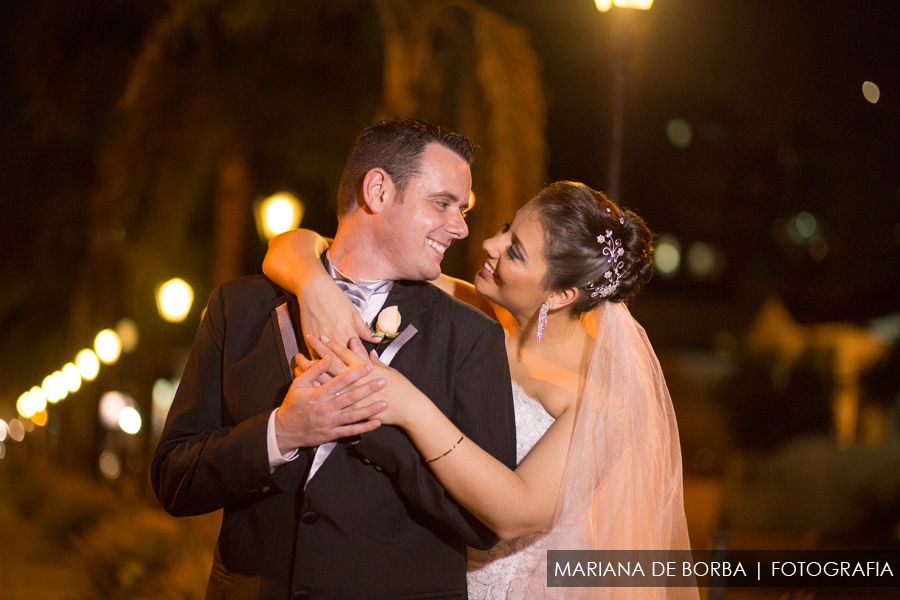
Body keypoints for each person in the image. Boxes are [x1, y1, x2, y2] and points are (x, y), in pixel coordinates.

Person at [264, 181, 698, 599]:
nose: (491, 243)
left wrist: (408, 405)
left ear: (561, 294)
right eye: (507, 227)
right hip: (426, 566)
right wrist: (313, 284)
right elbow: (302, 245)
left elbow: (516, 513)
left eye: (515, 252)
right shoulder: (468, 312)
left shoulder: (602, 400)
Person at [152, 118, 517, 600]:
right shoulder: (237, 308)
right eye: (442, 203)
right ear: (378, 190)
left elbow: (484, 522)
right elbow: (174, 479)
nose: (461, 226)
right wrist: (281, 433)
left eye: (462, 209)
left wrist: (373, 427)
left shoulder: (471, 336)